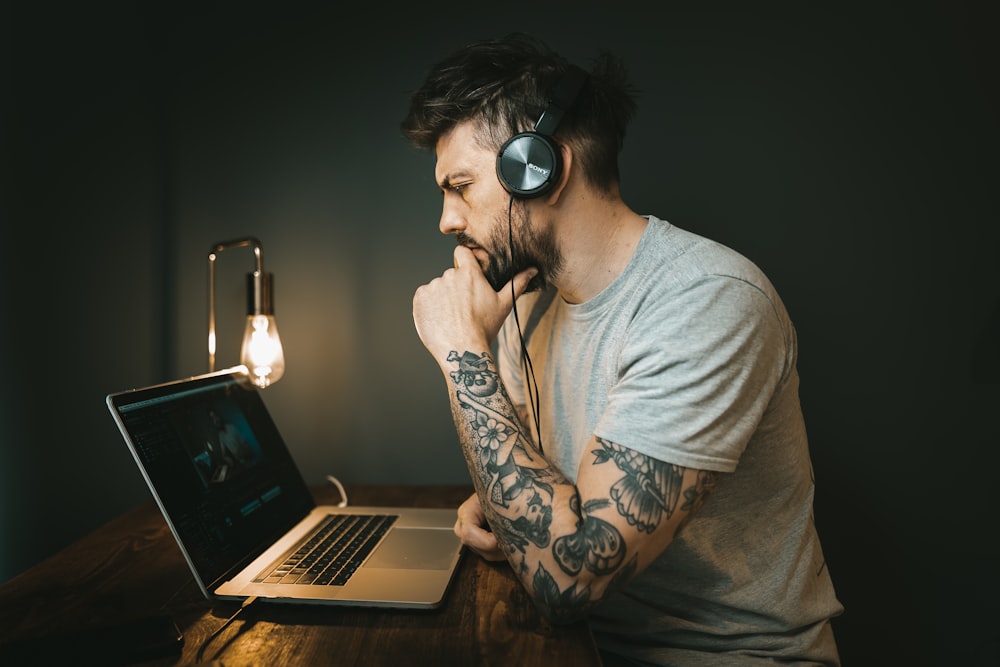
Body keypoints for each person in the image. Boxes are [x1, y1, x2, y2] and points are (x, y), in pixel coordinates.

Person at [403, 33, 843, 666]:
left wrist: (462, 357)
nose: (446, 220)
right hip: (589, 649)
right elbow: (545, 498)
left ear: (540, 170)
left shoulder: (707, 302)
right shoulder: (524, 304)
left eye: (461, 186)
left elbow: (571, 576)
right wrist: (504, 511)